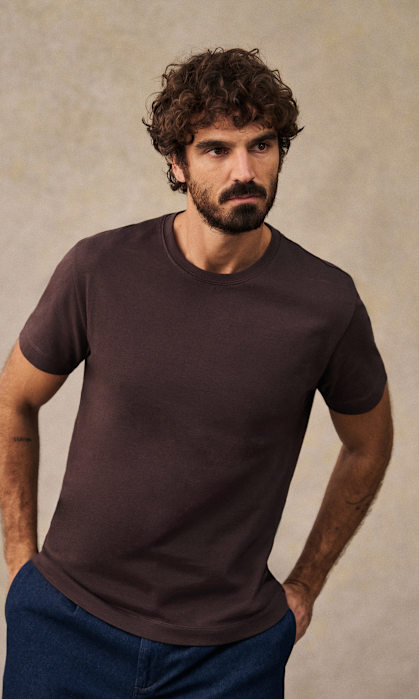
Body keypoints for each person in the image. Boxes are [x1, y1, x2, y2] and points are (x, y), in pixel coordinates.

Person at [0, 47, 393, 698]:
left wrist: (306, 582)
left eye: (261, 145)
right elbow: (13, 399)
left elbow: (369, 444)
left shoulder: (326, 303)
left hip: (229, 659)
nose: (244, 170)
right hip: (66, 630)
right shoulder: (99, 269)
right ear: (177, 164)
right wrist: (20, 564)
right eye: (216, 149)